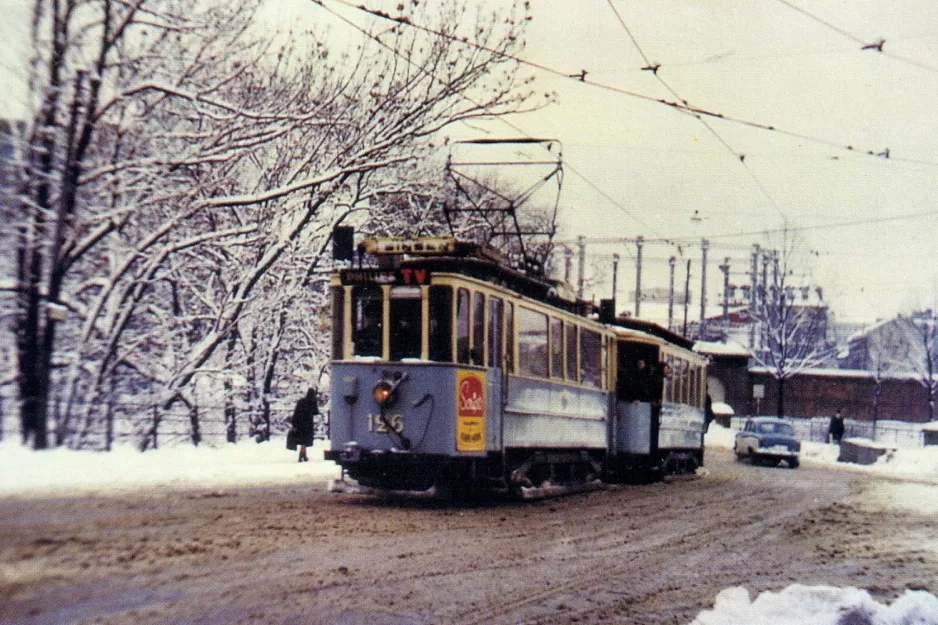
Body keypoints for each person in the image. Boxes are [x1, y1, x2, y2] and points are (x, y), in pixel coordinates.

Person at [291, 388, 318, 462]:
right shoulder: (312, 402)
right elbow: (316, 412)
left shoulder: (301, 401)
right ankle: (301, 456)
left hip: (300, 423)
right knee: (305, 441)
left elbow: (296, 412)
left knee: (303, 440)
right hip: (308, 424)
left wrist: (294, 422)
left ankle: (304, 455)